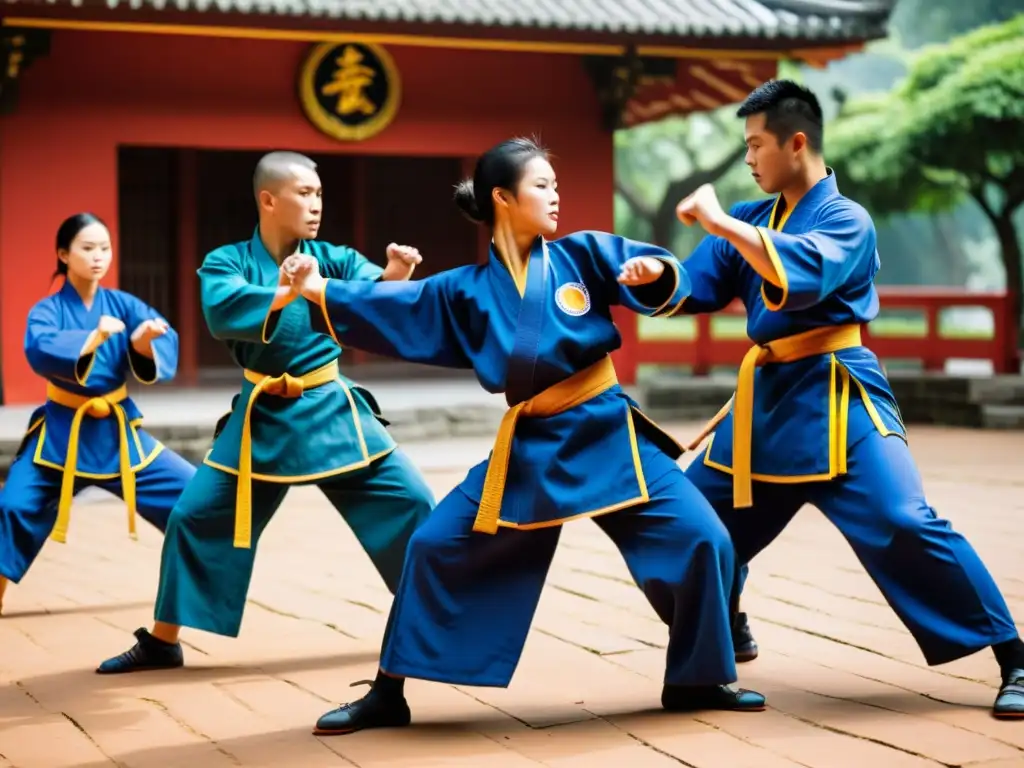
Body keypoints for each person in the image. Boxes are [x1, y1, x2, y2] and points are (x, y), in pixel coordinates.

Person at [283, 137, 766, 735]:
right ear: (503, 198)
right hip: (533, 445)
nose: (556, 196)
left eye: (557, 186)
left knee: (703, 539)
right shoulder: (463, 289)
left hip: (608, 431)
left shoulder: (584, 255)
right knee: (433, 543)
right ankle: (389, 691)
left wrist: (654, 272)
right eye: (542, 186)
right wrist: (317, 289)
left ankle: (699, 678)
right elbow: (399, 306)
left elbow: (664, 278)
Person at [671, 79, 1024, 719]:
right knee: (684, 525)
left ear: (796, 142)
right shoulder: (750, 220)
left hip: (841, 396)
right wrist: (640, 274)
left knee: (904, 520)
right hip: (767, 403)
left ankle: (1014, 654)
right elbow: (694, 283)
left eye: (755, 145)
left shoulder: (845, 220)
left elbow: (797, 274)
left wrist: (719, 220)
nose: (747, 159)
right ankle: (728, 613)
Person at [95, 151, 435, 673]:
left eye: (319, 193)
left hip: (331, 409)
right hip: (262, 415)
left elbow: (373, 296)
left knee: (410, 501)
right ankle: (164, 641)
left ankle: (433, 620)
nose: (316, 204)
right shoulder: (225, 261)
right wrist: (280, 294)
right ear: (268, 199)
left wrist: (396, 272)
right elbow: (222, 309)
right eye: (304, 193)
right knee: (194, 515)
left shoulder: (334, 257)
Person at [0, 213, 196, 614]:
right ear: (63, 254)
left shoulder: (123, 304)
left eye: (104, 248)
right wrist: (93, 338)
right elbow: (41, 346)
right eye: (87, 248)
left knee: (195, 496)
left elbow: (158, 333)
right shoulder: (48, 310)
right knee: (13, 506)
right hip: (61, 435)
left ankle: (194, 593)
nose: (98, 257)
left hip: (118, 434)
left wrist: (142, 344)